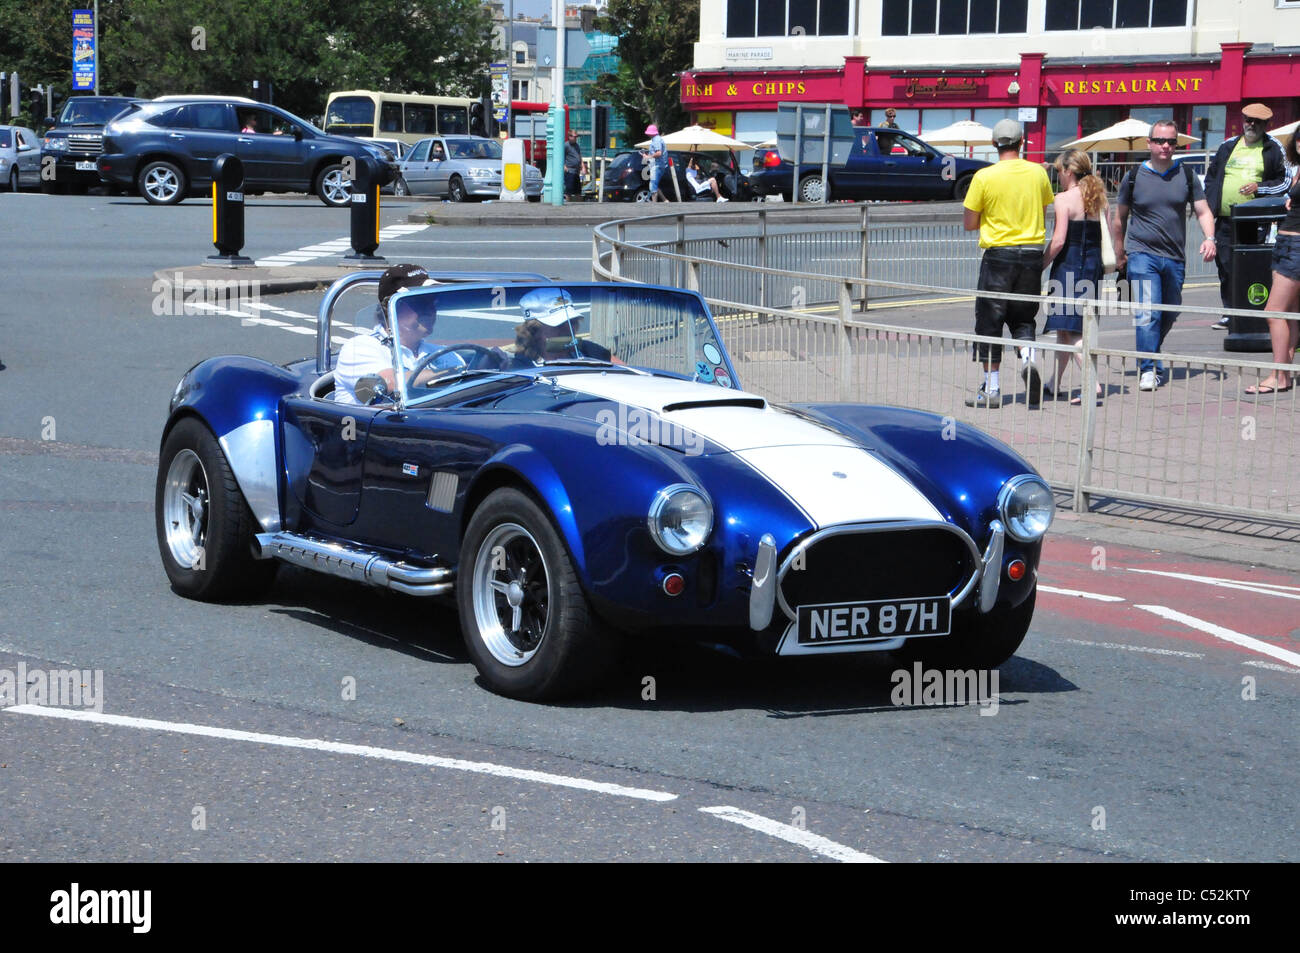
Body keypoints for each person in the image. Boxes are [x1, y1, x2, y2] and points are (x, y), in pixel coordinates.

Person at [1112, 119, 1217, 391]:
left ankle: (1150, 352)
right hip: (1141, 254)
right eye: (1160, 140)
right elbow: (1119, 218)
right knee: (1149, 312)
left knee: (1169, 311)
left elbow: (1203, 211)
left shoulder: (1186, 175)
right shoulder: (1133, 176)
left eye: (1171, 141)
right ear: (1149, 143)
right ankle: (1148, 369)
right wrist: (1120, 252)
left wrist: (1210, 238)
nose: (1166, 146)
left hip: (1174, 257)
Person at [961, 118, 1055, 408]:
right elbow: (1041, 209)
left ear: (993, 144)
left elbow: (970, 223)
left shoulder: (984, 177)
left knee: (990, 321)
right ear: (1022, 143)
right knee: (1023, 317)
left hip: (998, 255)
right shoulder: (1037, 174)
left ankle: (991, 389)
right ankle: (1028, 359)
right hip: (1030, 254)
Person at [1204, 103, 1290, 329]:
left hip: (1254, 221)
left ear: (1265, 125)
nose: (1251, 125)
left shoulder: (1273, 148)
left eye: (1257, 122)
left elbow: (1285, 181)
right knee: (1225, 267)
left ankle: (1254, 312)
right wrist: (1208, 207)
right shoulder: (1227, 146)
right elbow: (1212, 178)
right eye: (1248, 120)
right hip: (1225, 219)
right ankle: (1230, 313)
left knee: (1253, 266)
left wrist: (1259, 187)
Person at [1042, 150, 1108, 405]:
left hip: (1069, 267)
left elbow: (1058, 241)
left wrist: (1041, 263)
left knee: (1073, 331)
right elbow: (1106, 238)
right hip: (1092, 268)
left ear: (1069, 171)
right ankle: (1054, 383)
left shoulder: (1064, 199)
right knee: (1065, 329)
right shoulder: (1100, 198)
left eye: (1059, 170)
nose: (1057, 175)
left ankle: (1093, 383)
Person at [334, 264, 448, 404]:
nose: (431, 309)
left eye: (433, 301)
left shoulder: (442, 352)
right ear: (391, 306)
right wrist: (454, 374)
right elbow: (389, 384)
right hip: (368, 425)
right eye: (420, 302)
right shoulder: (360, 347)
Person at [1244, 134, 1300, 395]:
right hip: (1285, 243)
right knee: (1289, 313)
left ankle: (1279, 376)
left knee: (1274, 312)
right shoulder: (1298, 170)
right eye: (1299, 140)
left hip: (1296, 247)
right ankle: (1284, 370)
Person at [508, 288, 611, 366]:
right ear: (534, 331)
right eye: (559, 326)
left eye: (573, 322)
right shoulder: (519, 369)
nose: (570, 330)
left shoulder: (596, 355)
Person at [643, 124, 670, 202]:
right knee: (655, 184)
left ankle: (654, 205)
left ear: (651, 133)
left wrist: (648, 157)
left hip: (657, 165)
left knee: (652, 186)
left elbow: (658, 153)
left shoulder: (656, 140)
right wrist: (647, 156)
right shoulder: (657, 139)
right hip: (658, 165)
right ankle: (665, 200)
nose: (647, 134)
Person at [563, 129, 583, 198]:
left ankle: (579, 207)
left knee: (578, 191)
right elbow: (561, 156)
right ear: (569, 136)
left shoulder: (577, 145)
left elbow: (579, 156)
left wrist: (582, 166)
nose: (575, 138)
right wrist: (564, 166)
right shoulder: (566, 145)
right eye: (574, 137)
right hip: (569, 171)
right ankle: (568, 203)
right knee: (569, 191)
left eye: (576, 137)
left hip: (576, 171)